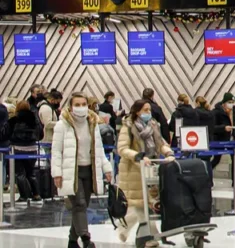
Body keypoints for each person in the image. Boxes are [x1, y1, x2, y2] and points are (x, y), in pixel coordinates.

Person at [50, 92, 112, 248]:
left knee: (82, 207)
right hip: (71, 172)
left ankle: (72, 241)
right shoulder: (62, 125)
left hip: (89, 171)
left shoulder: (92, 124)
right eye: (77, 105)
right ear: (70, 107)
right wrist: (57, 173)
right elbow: (56, 151)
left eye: (83, 104)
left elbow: (99, 149)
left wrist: (107, 168)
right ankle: (86, 239)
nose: (80, 107)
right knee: (79, 205)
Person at [115, 100, 175, 244]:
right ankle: (152, 238)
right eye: (145, 110)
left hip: (151, 169)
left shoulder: (153, 125)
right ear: (137, 111)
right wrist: (137, 155)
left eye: (149, 110)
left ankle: (123, 228)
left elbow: (160, 143)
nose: (148, 113)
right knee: (143, 205)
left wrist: (168, 152)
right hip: (133, 170)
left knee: (145, 204)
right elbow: (122, 148)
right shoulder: (128, 126)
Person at [9, 100, 42, 203]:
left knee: (20, 174)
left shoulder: (14, 119)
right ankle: (36, 195)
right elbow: (40, 133)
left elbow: (8, 133)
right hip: (32, 149)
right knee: (31, 173)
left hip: (18, 149)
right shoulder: (35, 119)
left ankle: (24, 196)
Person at [212, 98, 235, 169]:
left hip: (233, 140)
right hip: (220, 139)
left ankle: (234, 179)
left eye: (232, 102)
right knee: (216, 160)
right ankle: (207, 176)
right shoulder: (216, 112)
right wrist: (224, 128)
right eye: (229, 102)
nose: (231, 104)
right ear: (224, 103)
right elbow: (212, 127)